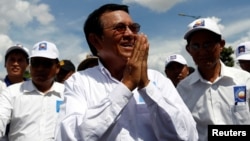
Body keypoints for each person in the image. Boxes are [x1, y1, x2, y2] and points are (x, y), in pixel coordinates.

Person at [55, 3, 198, 141]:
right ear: (96, 40)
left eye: (133, 28)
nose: (130, 35)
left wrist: (146, 87)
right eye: (119, 28)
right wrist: (126, 86)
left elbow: (188, 136)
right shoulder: (79, 82)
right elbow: (68, 137)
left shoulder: (157, 80)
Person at [176, 18, 250, 141]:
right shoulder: (182, 90)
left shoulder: (244, 80)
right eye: (196, 46)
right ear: (188, 50)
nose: (202, 51)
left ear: (221, 45)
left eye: (207, 44)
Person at [0, 40, 64, 141]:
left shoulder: (68, 93)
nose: (40, 68)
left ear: (57, 68)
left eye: (46, 64)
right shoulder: (12, 92)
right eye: (35, 63)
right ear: (30, 66)